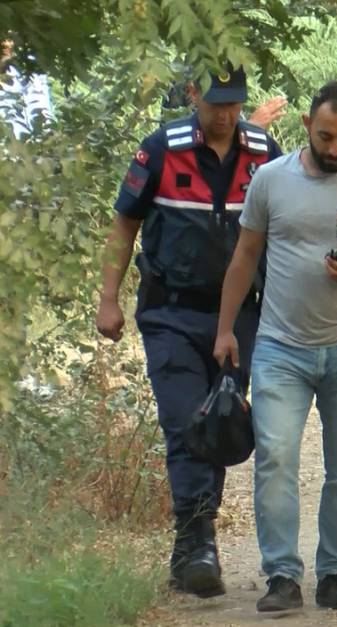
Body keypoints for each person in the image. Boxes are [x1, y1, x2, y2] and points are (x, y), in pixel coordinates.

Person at [213, 81, 337, 613]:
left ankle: (334, 574)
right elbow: (244, 256)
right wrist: (225, 329)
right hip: (281, 346)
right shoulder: (270, 180)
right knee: (276, 458)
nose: (334, 149)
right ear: (306, 124)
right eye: (325, 136)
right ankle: (281, 576)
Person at [94, 66, 282, 598]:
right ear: (194, 93)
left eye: (234, 103)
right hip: (172, 312)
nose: (225, 114)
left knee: (218, 423)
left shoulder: (264, 149)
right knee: (184, 423)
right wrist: (108, 300)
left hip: (242, 315)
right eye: (215, 102)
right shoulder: (160, 149)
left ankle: (193, 542)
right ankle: (197, 539)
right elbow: (123, 226)